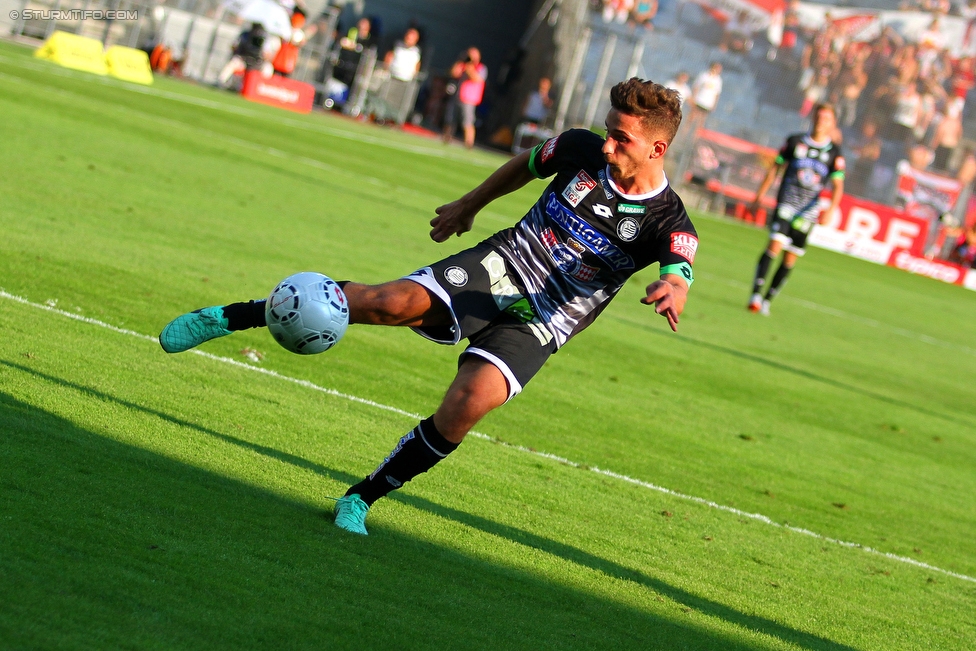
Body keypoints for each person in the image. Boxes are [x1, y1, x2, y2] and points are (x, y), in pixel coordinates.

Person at [158, 78, 696, 536]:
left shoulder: (668, 220)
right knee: (384, 303)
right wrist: (469, 204)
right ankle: (232, 316)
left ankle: (362, 497)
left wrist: (674, 288)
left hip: (545, 319)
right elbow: (525, 165)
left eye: (621, 139)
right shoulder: (580, 148)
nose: (607, 146)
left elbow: (679, 266)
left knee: (468, 405)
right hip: (502, 264)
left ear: (656, 149)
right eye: (608, 132)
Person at [748, 103, 845, 315]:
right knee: (774, 245)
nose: (821, 122)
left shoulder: (834, 153)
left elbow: (838, 185)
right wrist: (759, 197)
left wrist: (831, 209)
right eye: (819, 117)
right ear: (813, 117)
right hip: (787, 203)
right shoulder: (795, 141)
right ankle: (755, 295)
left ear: (832, 124)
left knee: (790, 258)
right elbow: (776, 168)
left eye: (826, 119)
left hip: (808, 211)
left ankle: (767, 300)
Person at [442, 47, 487, 149]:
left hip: (469, 99)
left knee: (467, 122)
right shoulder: (463, 65)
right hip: (458, 96)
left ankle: (468, 143)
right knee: (450, 119)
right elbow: (453, 73)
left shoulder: (481, 68)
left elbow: (476, 79)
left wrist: (470, 67)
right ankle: (446, 139)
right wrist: (460, 62)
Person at [687, 62, 722, 136]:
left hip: (708, 103)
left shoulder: (718, 80)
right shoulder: (704, 75)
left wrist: (714, 104)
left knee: (701, 122)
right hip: (699, 100)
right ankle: (685, 133)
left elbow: (717, 93)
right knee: (692, 117)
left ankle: (695, 137)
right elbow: (696, 86)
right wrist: (694, 98)